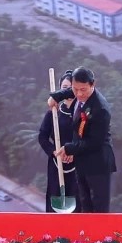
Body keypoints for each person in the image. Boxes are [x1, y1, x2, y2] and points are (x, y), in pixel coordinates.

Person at [48, 66, 116, 212]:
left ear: (93, 84)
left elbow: (94, 142)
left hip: (98, 164)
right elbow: (68, 91)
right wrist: (56, 96)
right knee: (85, 204)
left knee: (99, 208)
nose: (79, 94)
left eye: (83, 90)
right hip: (82, 161)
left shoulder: (100, 109)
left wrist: (69, 148)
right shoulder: (78, 92)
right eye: (75, 89)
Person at [38, 70, 78, 212]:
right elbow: (42, 137)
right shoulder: (54, 113)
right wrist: (54, 152)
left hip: (78, 166)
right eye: (64, 88)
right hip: (56, 164)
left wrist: (74, 153)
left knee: (78, 201)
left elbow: (88, 139)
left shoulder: (83, 113)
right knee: (54, 200)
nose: (67, 91)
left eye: (70, 88)